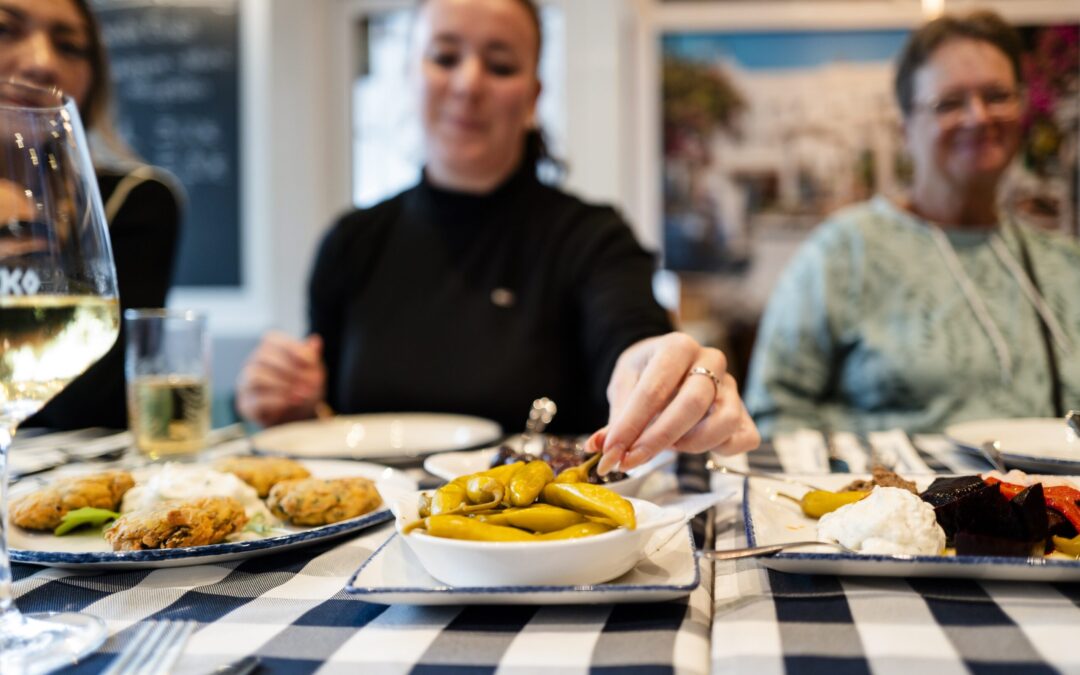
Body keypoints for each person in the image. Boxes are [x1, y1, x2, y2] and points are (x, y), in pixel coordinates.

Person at [236, 0, 758, 473]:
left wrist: (657, 370)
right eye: (444, 57)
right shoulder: (350, 242)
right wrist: (292, 402)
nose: (468, 83)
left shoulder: (590, 237)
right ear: (411, 76)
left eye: (501, 65)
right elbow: (325, 412)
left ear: (532, 97)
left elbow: (629, 335)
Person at [744, 10, 1080, 438]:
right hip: (890, 497)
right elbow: (773, 415)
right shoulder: (841, 253)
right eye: (949, 103)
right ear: (905, 128)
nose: (978, 117)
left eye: (997, 96)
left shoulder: (1065, 264)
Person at [1, 0, 182, 429]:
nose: (43, 63)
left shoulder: (134, 202)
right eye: (5, 29)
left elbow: (89, 404)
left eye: (69, 46)